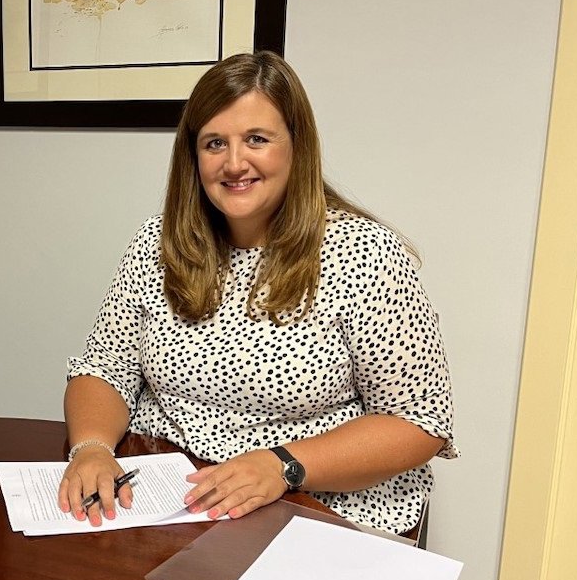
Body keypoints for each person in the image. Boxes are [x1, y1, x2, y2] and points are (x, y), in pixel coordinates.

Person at [60, 52, 456, 534]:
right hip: (170, 501)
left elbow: (418, 422)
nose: (234, 163)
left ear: (296, 146)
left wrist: (282, 465)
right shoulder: (157, 243)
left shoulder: (364, 253)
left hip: (316, 505)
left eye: (256, 139)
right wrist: (92, 448)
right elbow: (104, 368)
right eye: (214, 143)